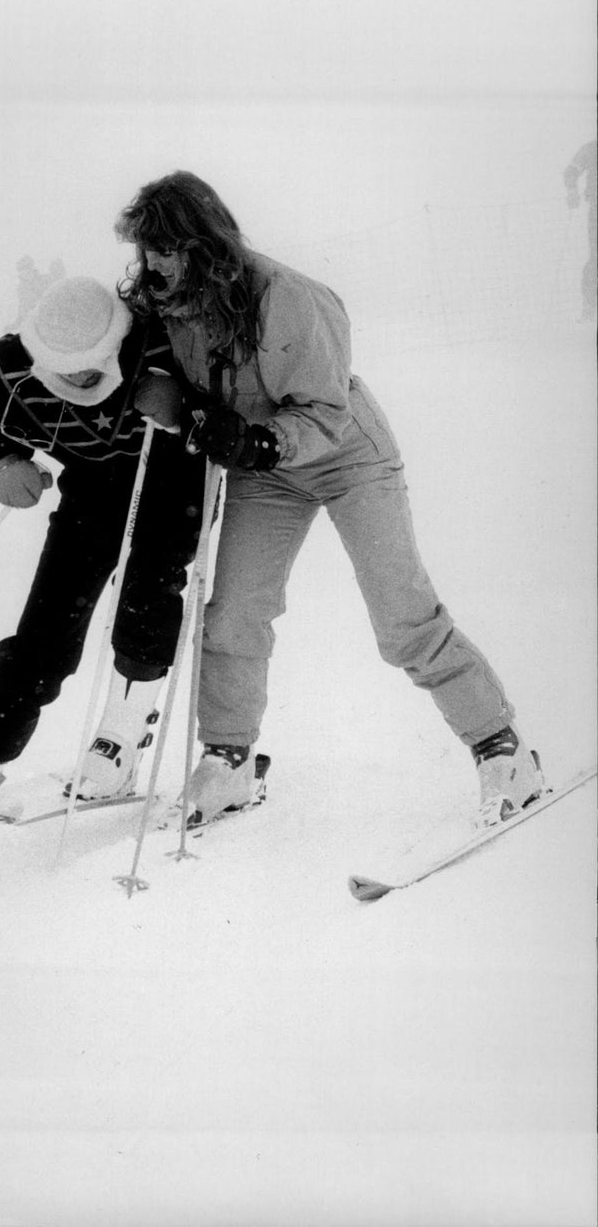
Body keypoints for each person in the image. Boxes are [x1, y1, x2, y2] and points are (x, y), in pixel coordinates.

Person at [114, 170, 545, 827]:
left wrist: (255, 443)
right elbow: (188, 384)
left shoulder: (288, 299)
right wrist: (181, 408)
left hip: (344, 453)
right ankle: (228, 759)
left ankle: (501, 747)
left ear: (202, 244)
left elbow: (324, 410)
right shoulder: (166, 304)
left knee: (400, 612)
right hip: (264, 469)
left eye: (166, 248)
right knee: (233, 611)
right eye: (145, 248)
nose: (152, 263)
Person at [0, 276, 204, 835]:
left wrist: (184, 411)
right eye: (67, 370)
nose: (81, 378)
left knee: (145, 601)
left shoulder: (157, 343)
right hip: (91, 488)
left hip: (169, 480)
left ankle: (120, 739)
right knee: (46, 628)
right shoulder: (11, 364)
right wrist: (6, 463)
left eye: (93, 366)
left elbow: (228, 403)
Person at [563, 140, 596, 322]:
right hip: (597, 211)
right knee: (596, 259)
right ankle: (589, 307)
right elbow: (571, 172)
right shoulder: (592, 148)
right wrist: (572, 191)